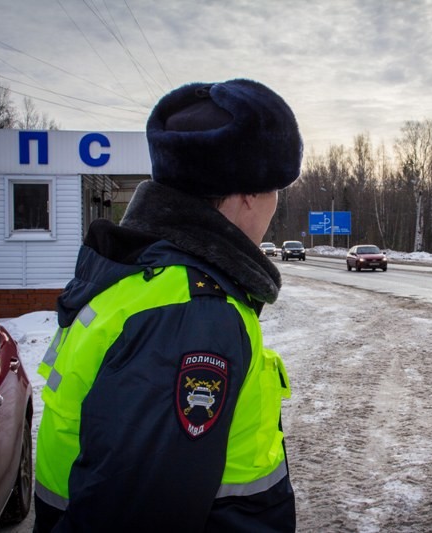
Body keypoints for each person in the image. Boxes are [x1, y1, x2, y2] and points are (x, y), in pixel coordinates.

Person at [32, 79, 303, 532]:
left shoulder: (146, 278)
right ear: (249, 194)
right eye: (276, 189)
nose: (274, 205)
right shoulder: (191, 316)